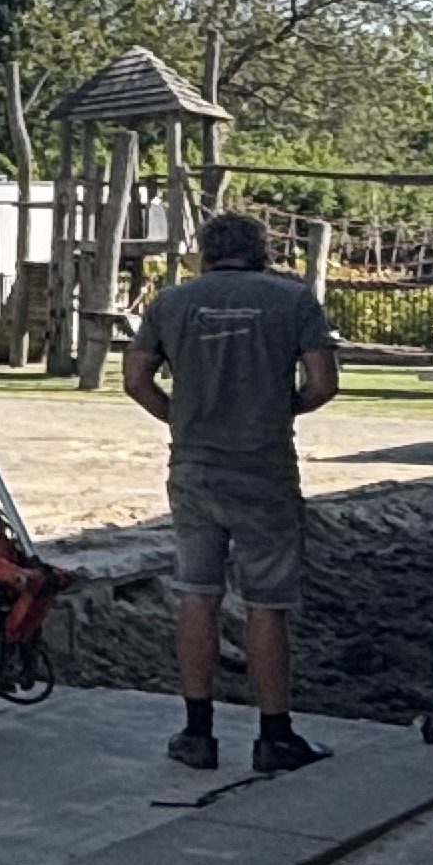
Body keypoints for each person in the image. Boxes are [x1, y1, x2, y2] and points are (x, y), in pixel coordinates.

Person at [124, 211, 339, 773]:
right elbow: (322, 383)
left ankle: (197, 732)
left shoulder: (172, 303)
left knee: (198, 593)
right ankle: (274, 734)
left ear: (205, 252)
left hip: (195, 466)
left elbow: (135, 378)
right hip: (264, 467)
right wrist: (279, 410)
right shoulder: (292, 301)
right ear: (262, 251)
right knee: (267, 602)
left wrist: (179, 418)